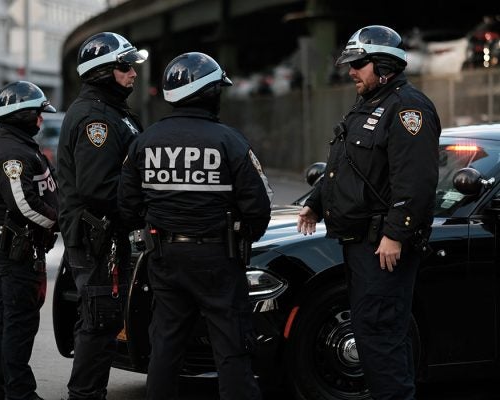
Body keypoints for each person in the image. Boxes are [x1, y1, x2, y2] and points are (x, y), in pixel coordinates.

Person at [297, 25, 441, 400]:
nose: (351, 72)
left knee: (380, 336)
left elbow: (415, 183)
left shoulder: (408, 108)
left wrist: (396, 233)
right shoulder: (369, 105)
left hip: (383, 246)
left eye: (358, 64)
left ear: (384, 65)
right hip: (361, 244)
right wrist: (316, 201)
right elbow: (347, 166)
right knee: (375, 335)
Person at [118, 52, 273, 400]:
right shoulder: (229, 141)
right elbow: (258, 206)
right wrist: (241, 238)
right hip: (218, 258)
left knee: (166, 347)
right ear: (208, 92)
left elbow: (126, 207)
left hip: (164, 258)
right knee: (232, 349)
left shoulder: (145, 141)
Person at [56, 31, 147, 400]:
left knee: (101, 322)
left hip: (103, 239)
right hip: (99, 240)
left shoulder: (111, 113)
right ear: (103, 72)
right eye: (125, 66)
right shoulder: (98, 120)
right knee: (98, 324)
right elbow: (100, 188)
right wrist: (143, 210)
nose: (133, 73)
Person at [0, 80, 60, 400]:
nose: (41, 120)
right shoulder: (12, 152)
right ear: (22, 115)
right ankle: (19, 393)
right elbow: (23, 204)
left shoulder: (13, 143)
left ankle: (0, 389)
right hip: (15, 249)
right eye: (38, 114)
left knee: (5, 320)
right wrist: (58, 221)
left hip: (9, 245)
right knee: (18, 324)